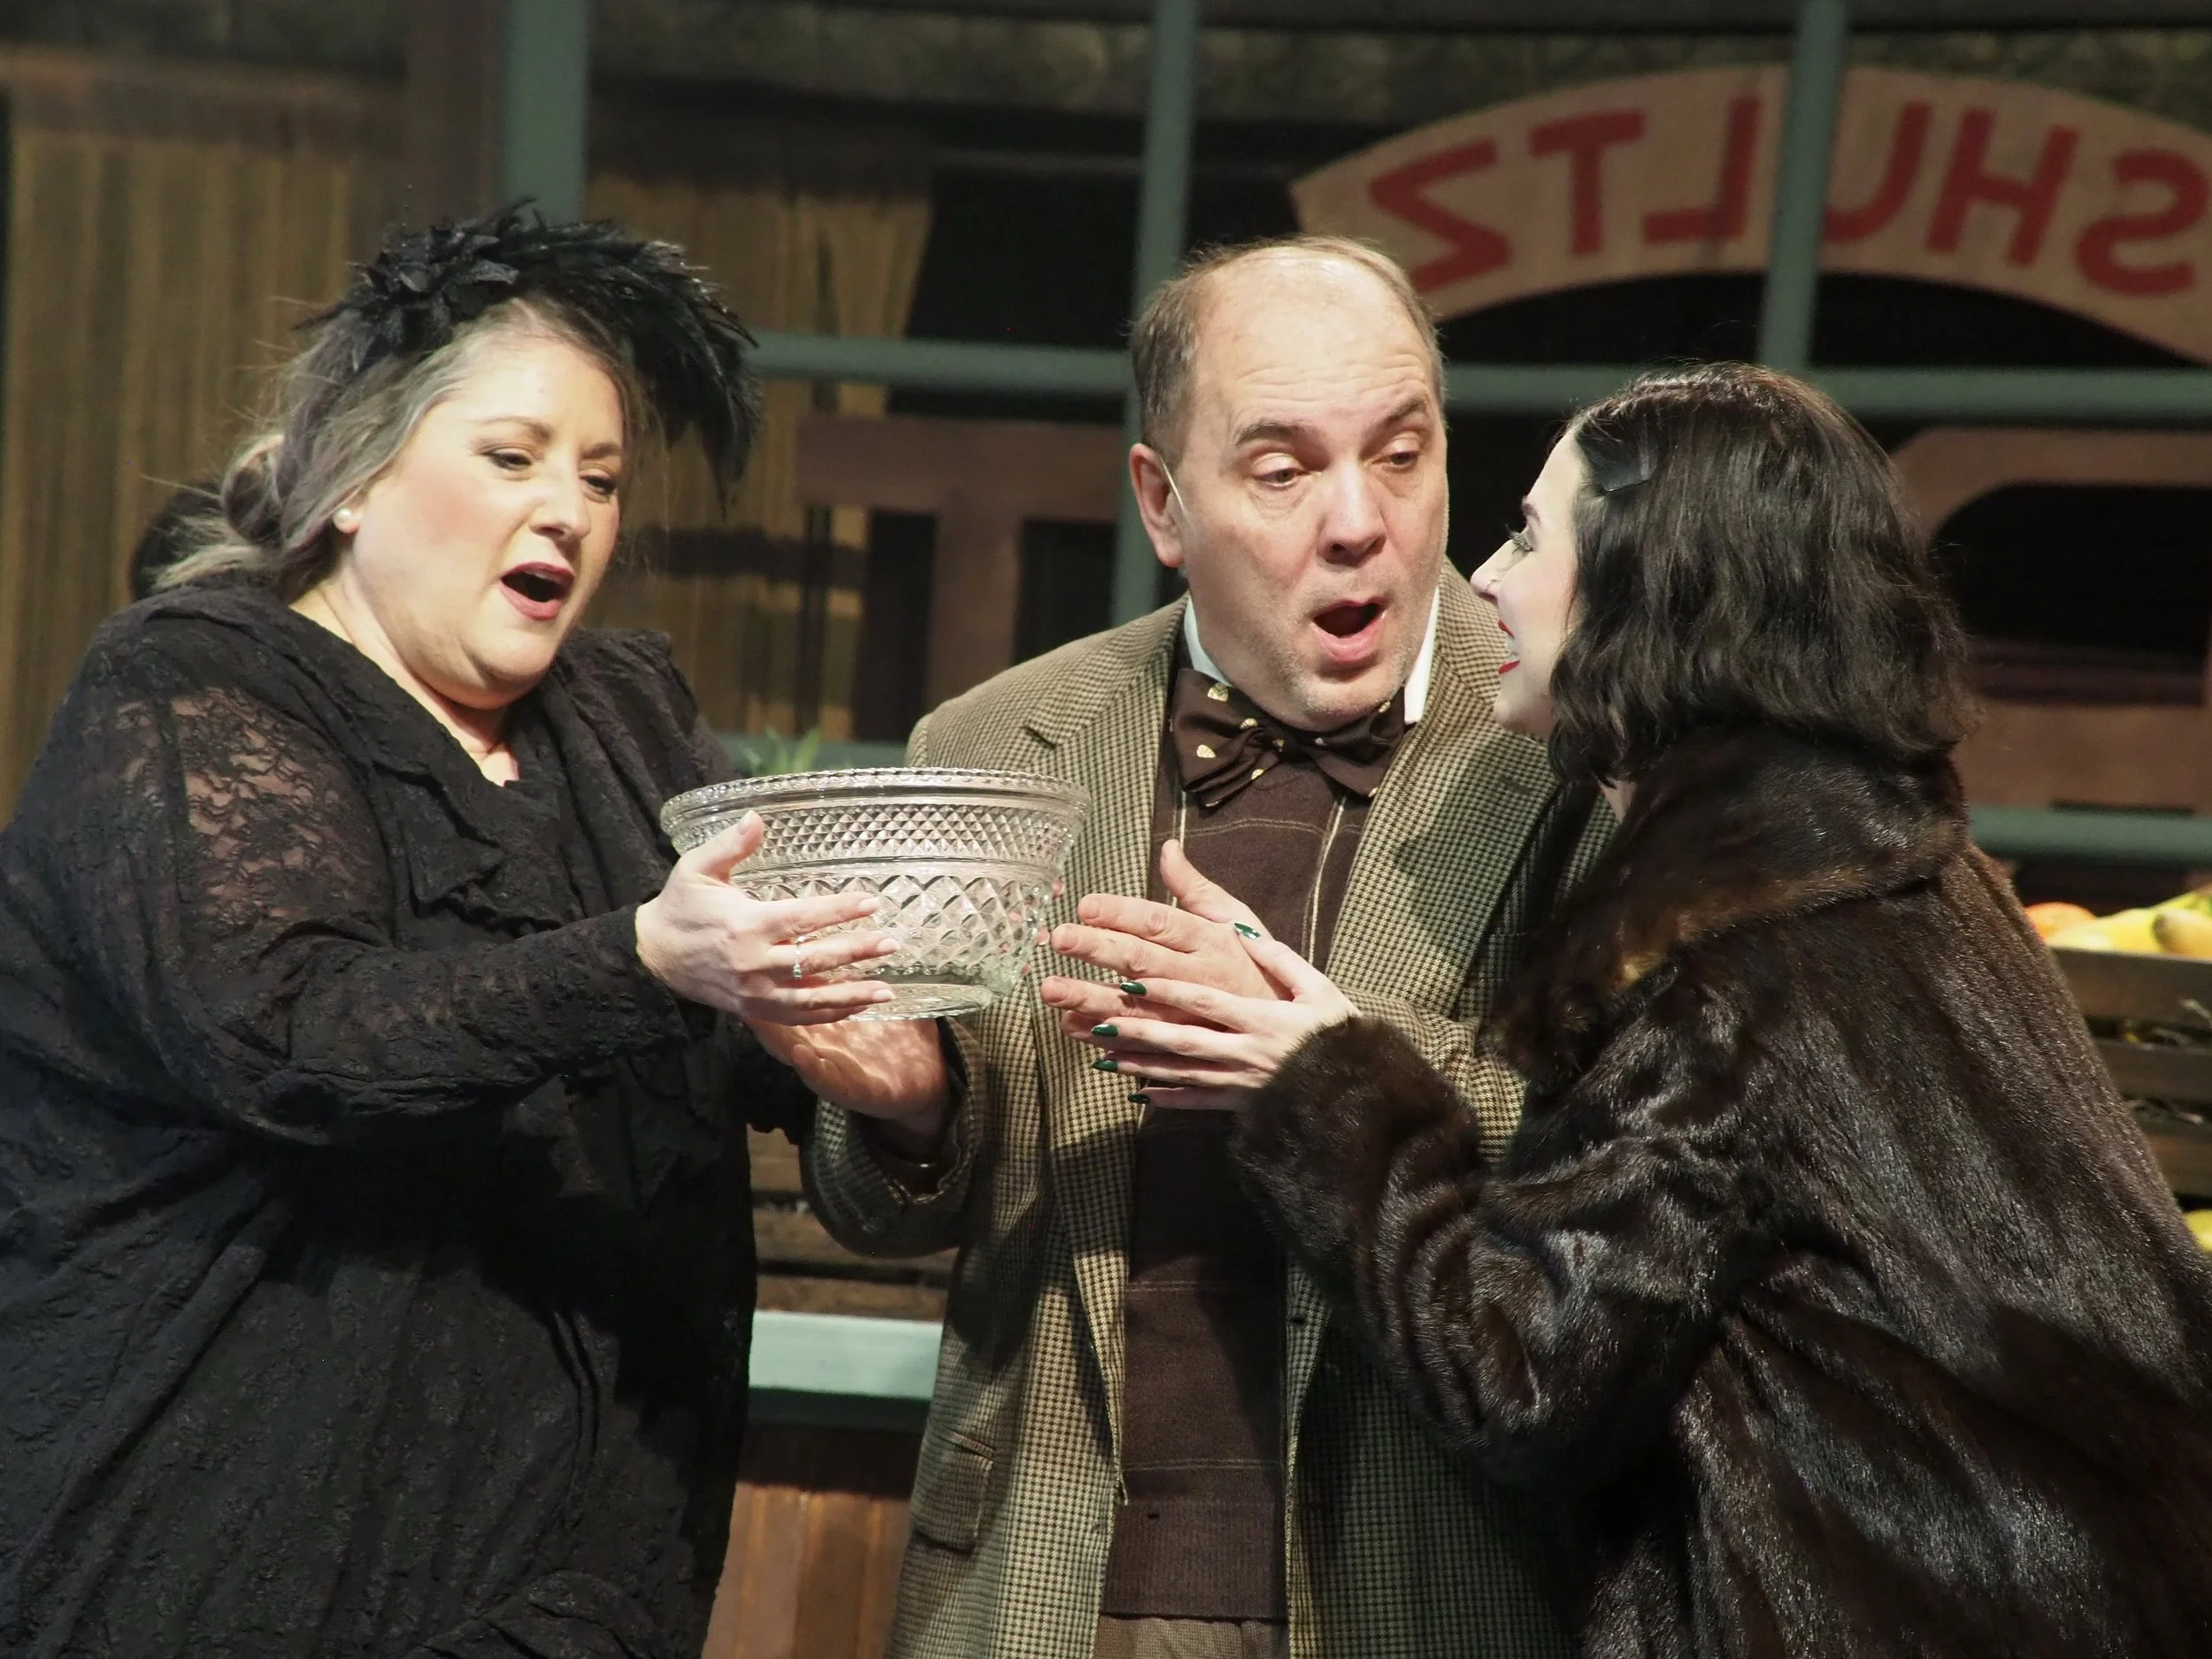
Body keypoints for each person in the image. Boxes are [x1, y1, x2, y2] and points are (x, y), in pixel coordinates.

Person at [1074, 363, 2212, 1657]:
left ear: (1646, 592)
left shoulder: (1735, 950)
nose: (1489, 576)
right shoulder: (1895, 868)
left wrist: (1329, 1083)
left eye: (1532, 535)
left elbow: (1522, 1375)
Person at [0, 211, 909, 1658]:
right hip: (228, 1554)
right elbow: (287, 1027)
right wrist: (641, 961)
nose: (570, 511)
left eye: (601, 480)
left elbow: (770, 1021)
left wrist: (899, 1078)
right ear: (355, 479)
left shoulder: (627, 728)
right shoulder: (191, 689)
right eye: (514, 457)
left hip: (581, 1571)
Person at [760, 235, 1608, 1659]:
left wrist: (1338, 1072)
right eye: (1284, 471)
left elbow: (1634, 1160)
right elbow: (892, 1204)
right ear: (1165, 501)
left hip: (1424, 1585)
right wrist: (906, 1103)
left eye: (1401, 455)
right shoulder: (994, 743)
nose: (1361, 523)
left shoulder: (1574, 749)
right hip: (1048, 1583)